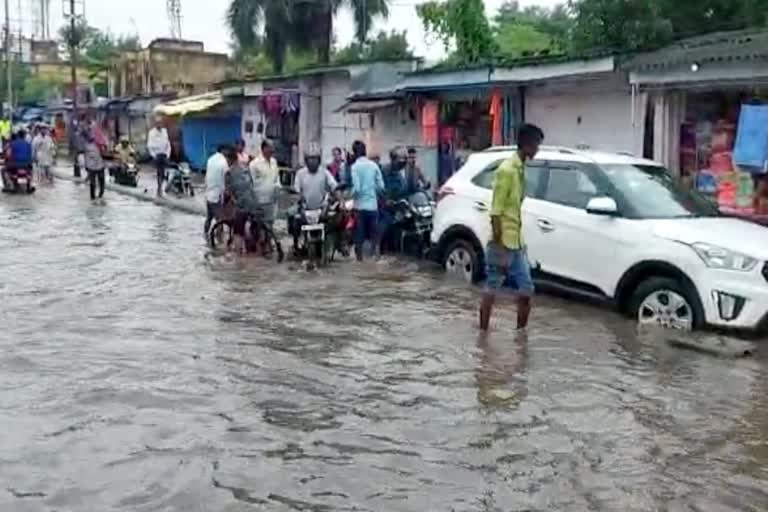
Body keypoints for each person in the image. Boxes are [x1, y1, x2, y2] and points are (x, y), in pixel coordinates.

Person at [479, 123, 544, 332]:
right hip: (502, 242)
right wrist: (500, 248)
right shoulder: (506, 170)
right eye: (536, 145)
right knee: (492, 288)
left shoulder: (520, 169)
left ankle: (520, 338)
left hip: (517, 242)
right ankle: (483, 336)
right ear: (526, 145)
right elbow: (496, 213)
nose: (537, 150)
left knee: (526, 290)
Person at [290, 143, 339, 252]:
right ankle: (295, 242)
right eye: (310, 159)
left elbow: (334, 186)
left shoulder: (325, 173)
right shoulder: (300, 173)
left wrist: (338, 197)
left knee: (336, 219)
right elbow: (296, 190)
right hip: (305, 208)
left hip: (322, 208)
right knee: (291, 216)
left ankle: (338, 245)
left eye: (315, 159)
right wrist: (297, 197)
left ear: (319, 159)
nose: (313, 161)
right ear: (306, 160)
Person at [350, 140, 384, 261]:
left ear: (354, 153)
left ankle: (360, 261)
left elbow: (356, 188)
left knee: (359, 236)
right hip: (373, 207)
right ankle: (377, 258)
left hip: (359, 208)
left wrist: (350, 195)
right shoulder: (374, 166)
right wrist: (372, 191)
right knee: (375, 235)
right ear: (365, 151)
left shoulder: (354, 167)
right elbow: (381, 187)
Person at [223, 147, 259, 254]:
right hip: (254, 203)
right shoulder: (245, 169)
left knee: (237, 232)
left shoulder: (229, 173)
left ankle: (238, 256)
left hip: (242, 206)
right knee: (253, 225)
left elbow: (228, 193)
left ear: (229, 160)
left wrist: (224, 206)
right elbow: (251, 185)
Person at [250, 139, 280, 227]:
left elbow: (277, 177)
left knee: (270, 224)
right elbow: (251, 183)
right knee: (260, 226)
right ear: (264, 149)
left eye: (273, 148)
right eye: (270, 148)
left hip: (272, 200)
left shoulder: (274, 162)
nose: (272, 150)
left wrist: (278, 186)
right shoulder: (254, 164)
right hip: (260, 201)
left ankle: (268, 240)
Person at [204, 145, 230, 237]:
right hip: (218, 195)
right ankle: (219, 241)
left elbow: (206, 176)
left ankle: (205, 235)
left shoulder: (210, 159)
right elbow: (227, 177)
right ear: (223, 150)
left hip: (209, 193)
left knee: (209, 218)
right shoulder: (224, 162)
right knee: (220, 220)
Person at [147, 117, 171, 197]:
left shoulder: (165, 131)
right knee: (159, 172)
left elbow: (168, 144)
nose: (159, 124)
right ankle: (159, 188)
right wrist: (153, 155)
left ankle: (161, 187)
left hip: (164, 154)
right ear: (155, 124)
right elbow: (149, 146)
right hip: (157, 155)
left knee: (163, 173)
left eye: (160, 123)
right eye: (158, 123)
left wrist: (168, 154)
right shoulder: (152, 133)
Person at [83, 129, 107, 200]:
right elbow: (86, 157)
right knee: (93, 183)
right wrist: (86, 166)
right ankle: (93, 197)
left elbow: (105, 154)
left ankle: (100, 195)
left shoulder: (100, 145)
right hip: (92, 167)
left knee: (101, 181)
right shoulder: (87, 146)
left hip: (100, 166)